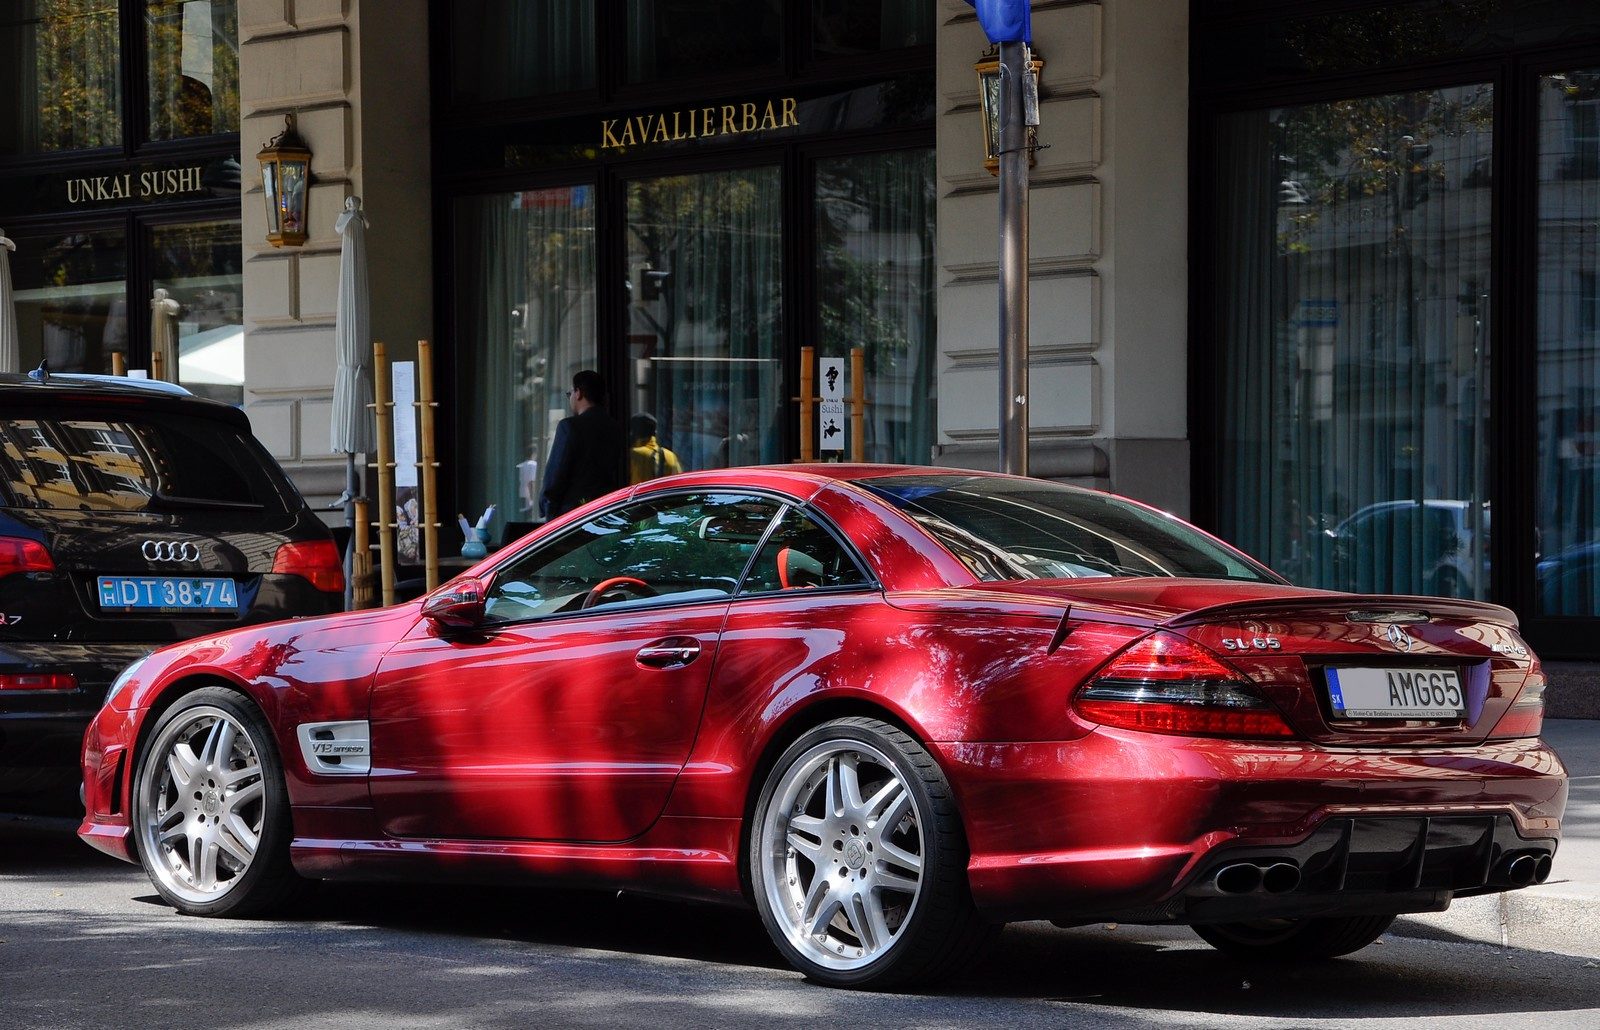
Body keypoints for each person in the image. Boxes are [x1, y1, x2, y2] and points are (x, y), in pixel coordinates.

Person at [539, 370, 626, 519]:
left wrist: (546, 507)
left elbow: (555, 474)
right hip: (606, 511)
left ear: (578, 392)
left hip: (572, 517)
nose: (571, 398)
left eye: (570, 393)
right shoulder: (615, 428)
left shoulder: (570, 427)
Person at [629, 412, 682, 484]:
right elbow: (680, 482)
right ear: (655, 433)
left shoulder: (632, 455)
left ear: (632, 433)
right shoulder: (671, 456)